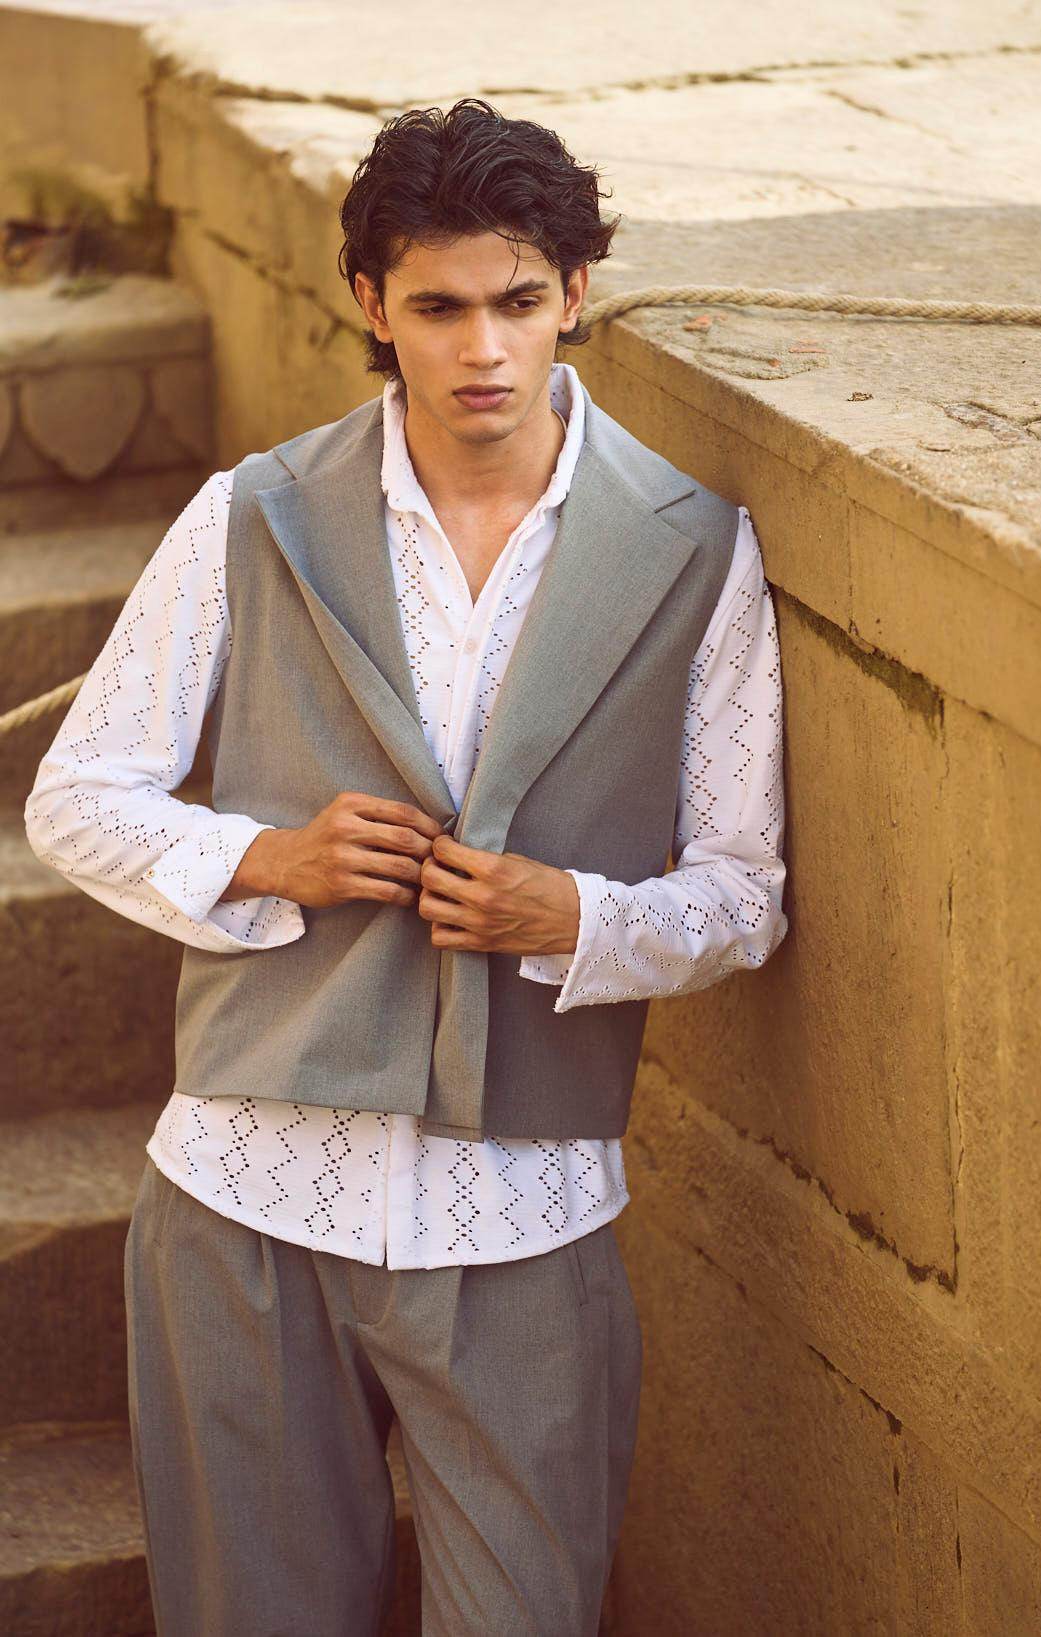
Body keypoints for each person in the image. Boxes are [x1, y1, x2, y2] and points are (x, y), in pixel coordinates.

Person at [23, 97, 788, 1637]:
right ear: (373, 304)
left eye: (518, 300)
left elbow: (743, 889)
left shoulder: (697, 550)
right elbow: (76, 798)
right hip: (245, 1185)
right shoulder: (251, 514)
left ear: (575, 292)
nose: (483, 349)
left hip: (526, 1217)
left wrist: (581, 917)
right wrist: (273, 855)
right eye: (439, 308)